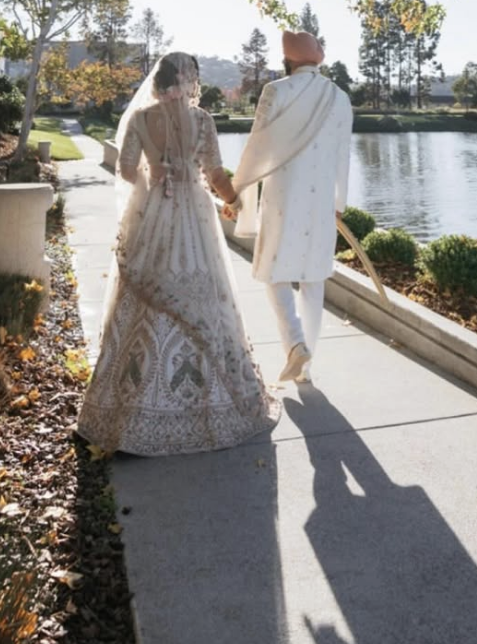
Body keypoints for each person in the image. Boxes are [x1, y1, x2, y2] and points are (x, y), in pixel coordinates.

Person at [77, 52, 280, 455]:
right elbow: (215, 174)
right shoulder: (201, 120)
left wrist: (156, 176)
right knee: (205, 294)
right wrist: (233, 202)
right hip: (194, 218)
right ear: (188, 81)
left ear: (157, 81)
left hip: (154, 213)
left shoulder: (138, 119)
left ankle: (133, 407)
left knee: (145, 297)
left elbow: (127, 170)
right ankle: (213, 402)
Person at [224, 31, 352, 384]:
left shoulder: (276, 91)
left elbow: (256, 148)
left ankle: (295, 344)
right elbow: (344, 155)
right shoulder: (339, 97)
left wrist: (236, 193)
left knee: (274, 271)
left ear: (288, 60)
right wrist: (339, 203)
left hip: (283, 196)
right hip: (322, 200)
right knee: (313, 280)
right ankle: (305, 367)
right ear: (316, 57)